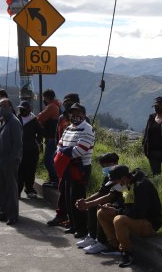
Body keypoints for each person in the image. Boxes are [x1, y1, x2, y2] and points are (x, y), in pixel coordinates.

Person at [97, 165, 162, 268]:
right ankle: (115, 246)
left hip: (149, 223)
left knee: (119, 220)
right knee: (102, 213)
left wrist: (116, 211)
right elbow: (126, 205)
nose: (114, 186)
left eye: (115, 182)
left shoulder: (141, 185)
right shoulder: (127, 184)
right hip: (135, 219)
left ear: (122, 179)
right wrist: (112, 206)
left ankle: (126, 253)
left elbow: (138, 213)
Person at [56, 103, 95, 238]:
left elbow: (81, 149)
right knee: (68, 197)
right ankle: (73, 225)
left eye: (78, 113)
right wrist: (63, 153)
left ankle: (81, 229)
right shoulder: (68, 128)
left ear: (83, 115)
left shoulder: (87, 129)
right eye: (73, 113)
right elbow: (60, 144)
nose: (75, 116)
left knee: (77, 198)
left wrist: (63, 155)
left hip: (80, 168)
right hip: (68, 167)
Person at [75, 152, 123, 254]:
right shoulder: (109, 175)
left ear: (114, 163)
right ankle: (92, 236)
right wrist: (86, 201)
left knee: (100, 209)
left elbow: (111, 196)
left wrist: (88, 203)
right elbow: (101, 192)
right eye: (102, 166)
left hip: (119, 204)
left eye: (105, 166)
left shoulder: (120, 175)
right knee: (93, 206)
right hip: (112, 202)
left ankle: (101, 241)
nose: (104, 169)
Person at [46, 92, 81, 227]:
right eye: (65, 101)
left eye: (69, 101)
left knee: (74, 191)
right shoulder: (61, 118)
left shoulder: (81, 119)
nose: (66, 103)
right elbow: (57, 136)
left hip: (75, 160)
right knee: (63, 189)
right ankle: (61, 216)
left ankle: (74, 221)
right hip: (62, 159)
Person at [0, 98, 23, 225]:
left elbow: (17, 144)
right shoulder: (0, 121)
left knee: (11, 189)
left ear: (10, 107)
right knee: (1, 188)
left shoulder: (14, 122)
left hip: (9, 162)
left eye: (4, 105)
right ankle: (3, 213)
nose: (1, 108)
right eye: (0, 106)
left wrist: (12, 159)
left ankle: (13, 215)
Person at [17, 101, 42, 199]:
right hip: (18, 150)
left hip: (31, 150)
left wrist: (38, 143)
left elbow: (40, 133)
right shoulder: (16, 119)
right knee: (19, 171)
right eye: (21, 108)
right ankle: (17, 191)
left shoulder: (34, 120)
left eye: (24, 109)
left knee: (30, 171)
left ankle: (29, 189)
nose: (22, 110)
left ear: (29, 110)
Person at [37, 89, 61, 188]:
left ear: (46, 97)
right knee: (51, 159)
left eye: (44, 98)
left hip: (52, 137)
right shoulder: (57, 105)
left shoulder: (52, 106)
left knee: (49, 160)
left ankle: (55, 180)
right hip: (53, 136)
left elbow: (40, 117)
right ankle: (54, 180)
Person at [142, 96, 162, 175]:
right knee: (156, 175)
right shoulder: (151, 117)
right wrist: (145, 148)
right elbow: (146, 133)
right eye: (155, 106)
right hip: (153, 153)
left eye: (158, 106)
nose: (156, 108)